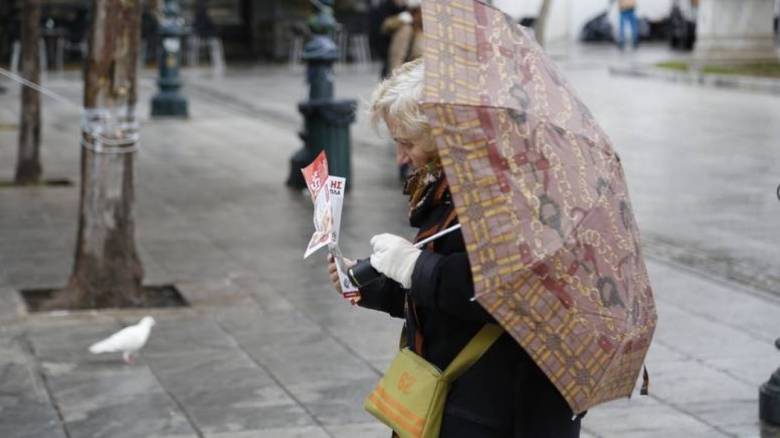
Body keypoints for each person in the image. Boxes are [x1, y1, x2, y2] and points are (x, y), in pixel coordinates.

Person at [326, 59, 582, 437]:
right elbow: (441, 297)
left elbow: (502, 291)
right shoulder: (453, 186)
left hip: (503, 407)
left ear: (441, 132)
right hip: (468, 400)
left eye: (407, 143)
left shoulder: (508, 193)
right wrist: (371, 283)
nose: (400, 157)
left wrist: (414, 268)